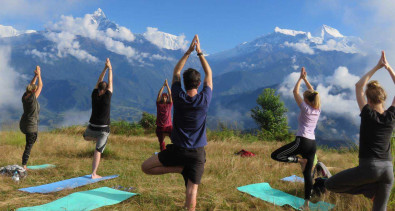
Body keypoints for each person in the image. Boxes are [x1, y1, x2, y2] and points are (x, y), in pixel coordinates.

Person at [141, 34, 213, 211]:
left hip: (178, 151)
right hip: (197, 154)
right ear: (198, 84)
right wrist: (200, 52)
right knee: (192, 191)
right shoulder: (204, 99)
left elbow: (176, 72)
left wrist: (188, 51)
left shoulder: (178, 97)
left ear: (184, 84)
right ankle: (182, 172)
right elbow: (209, 74)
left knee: (146, 167)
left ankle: (178, 169)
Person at [325, 51, 394, 211]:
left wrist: (377, 67)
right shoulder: (391, 115)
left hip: (369, 168)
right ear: (383, 98)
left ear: (368, 100)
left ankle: (367, 190)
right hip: (388, 171)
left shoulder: (368, 114)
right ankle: (370, 191)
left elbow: (358, 86)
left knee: (330, 184)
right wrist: (389, 68)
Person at [270, 67, 320, 209]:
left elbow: (295, 92)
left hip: (301, 141)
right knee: (307, 176)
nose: (302, 99)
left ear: (306, 101)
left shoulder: (305, 108)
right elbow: (314, 93)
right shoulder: (317, 109)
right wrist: (306, 80)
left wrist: (299, 78)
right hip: (312, 144)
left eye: (304, 98)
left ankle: (299, 160)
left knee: (276, 155)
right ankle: (306, 205)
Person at [83, 58, 113, 179]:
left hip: (91, 127)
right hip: (103, 129)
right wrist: (110, 68)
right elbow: (110, 81)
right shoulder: (107, 97)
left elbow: (99, 81)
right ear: (105, 90)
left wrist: (105, 68)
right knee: (98, 150)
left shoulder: (94, 95)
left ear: (99, 89)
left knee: (85, 137)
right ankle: (94, 173)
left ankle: (95, 138)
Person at [20, 66, 43, 170]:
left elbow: (32, 86)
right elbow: (40, 86)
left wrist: (35, 76)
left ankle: (24, 163)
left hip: (23, 124)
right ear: (34, 92)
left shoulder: (25, 96)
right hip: (31, 126)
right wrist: (39, 74)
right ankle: (24, 165)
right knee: (29, 145)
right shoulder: (33, 98)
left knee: (31, 141)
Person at [156, 79, 173, 151]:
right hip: (160, 126)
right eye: (163, 97)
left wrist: (167, 86)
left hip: (168, 126)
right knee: (161, 142)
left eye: (165, 97)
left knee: (175, 140)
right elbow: (159, 94)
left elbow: (170, 94)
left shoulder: (169, 105)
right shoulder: (159, 104)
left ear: (167, 98)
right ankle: (163, 153)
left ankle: (174, 152)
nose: (164, 98)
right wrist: (163, 86)